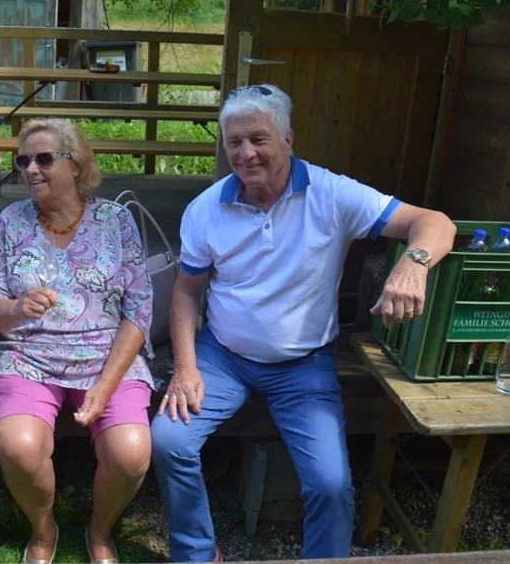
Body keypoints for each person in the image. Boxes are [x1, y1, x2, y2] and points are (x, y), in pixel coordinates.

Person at [151, 84, 457, 561]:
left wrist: (414, 263)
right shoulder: (206, 209)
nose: (245, 154)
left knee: (331, 484)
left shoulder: (333, 195)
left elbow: (436, 222)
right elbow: (187, 293)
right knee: (169, 441)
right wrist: (187, 367)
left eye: (258, 138)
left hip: (303, 365)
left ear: (288, 139)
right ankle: (196, 553)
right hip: (223, 357)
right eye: (233, 142)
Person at [0, 118, 154, 564]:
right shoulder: (11, 221)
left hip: (105, 358)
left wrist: (105, 385)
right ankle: (43, 530)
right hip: (29, 357)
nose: (30, 169)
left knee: (131, 453)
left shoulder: (115, 220)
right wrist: (16, 309)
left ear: (76, 165)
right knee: (17, 445)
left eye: (43, 158)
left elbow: (140, 308)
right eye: (23, 160)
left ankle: (99, 532)